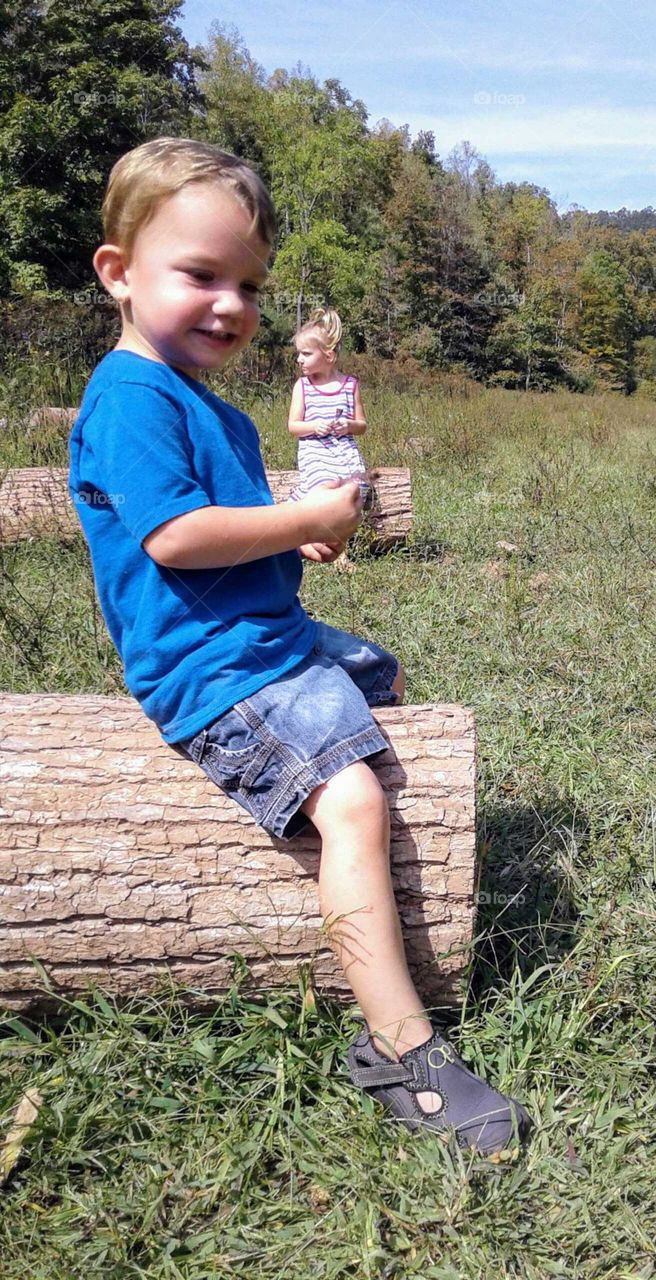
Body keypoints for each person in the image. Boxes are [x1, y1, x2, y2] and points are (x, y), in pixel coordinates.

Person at [67, 137, 529, 1156]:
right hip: (214, 665)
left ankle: (401, 871)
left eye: (248, 283)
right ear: (118, 272)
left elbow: (219, 513)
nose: (230, 303)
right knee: (351, 792)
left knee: (386, 674)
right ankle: (401, 1045)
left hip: (263, 631)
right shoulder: (132, 396)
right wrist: (298, 516)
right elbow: (175, 537)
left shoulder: (198, 397)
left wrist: (296, 522)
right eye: (200, 274)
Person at [288, 308, 369, 569]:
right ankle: (335, 550)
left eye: (306, 353)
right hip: (314, 449)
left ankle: (336, 540)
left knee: (355, 487)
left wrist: (348, 425)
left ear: (329, 355)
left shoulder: (350, 384)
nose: (299, 359)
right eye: (298, 353)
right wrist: (314, 425)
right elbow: (293, 426)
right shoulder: (302, 386)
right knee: (327, 485)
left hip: (343, 449)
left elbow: (362, 425)